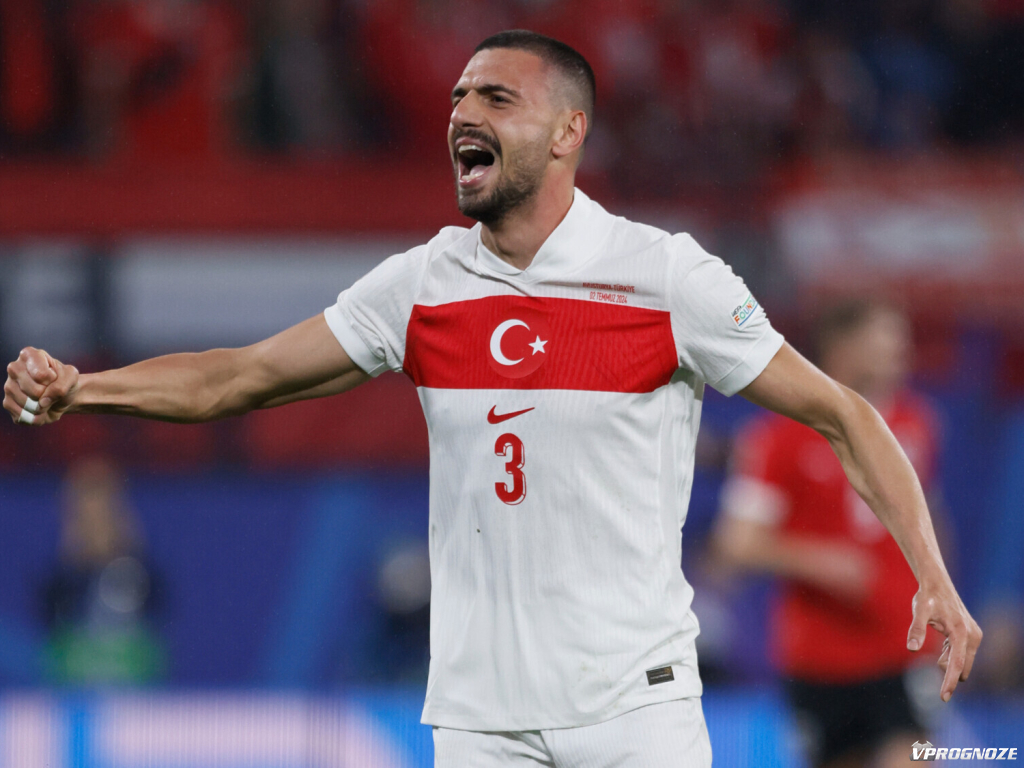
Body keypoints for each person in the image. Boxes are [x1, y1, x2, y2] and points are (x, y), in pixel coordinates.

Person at [3, 30, 980, 768]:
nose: (462, 112)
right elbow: (238, 377)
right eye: (459, 95)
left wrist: (929, 573)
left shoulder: (664, 279)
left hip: (635, 713)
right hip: (480, 723)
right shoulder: (421, 287)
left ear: (567, 133)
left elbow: (844, 413)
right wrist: (84, 391)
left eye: (496, 97)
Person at [713, 301, 943, 768]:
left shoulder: (916, 422)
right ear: (841, 347)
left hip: (904, 647)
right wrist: (820, 561)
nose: (900, 350)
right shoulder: (778, 436)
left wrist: (946, 598)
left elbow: (931, 519)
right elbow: (736, 543)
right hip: (820, 657)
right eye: (884, 339)